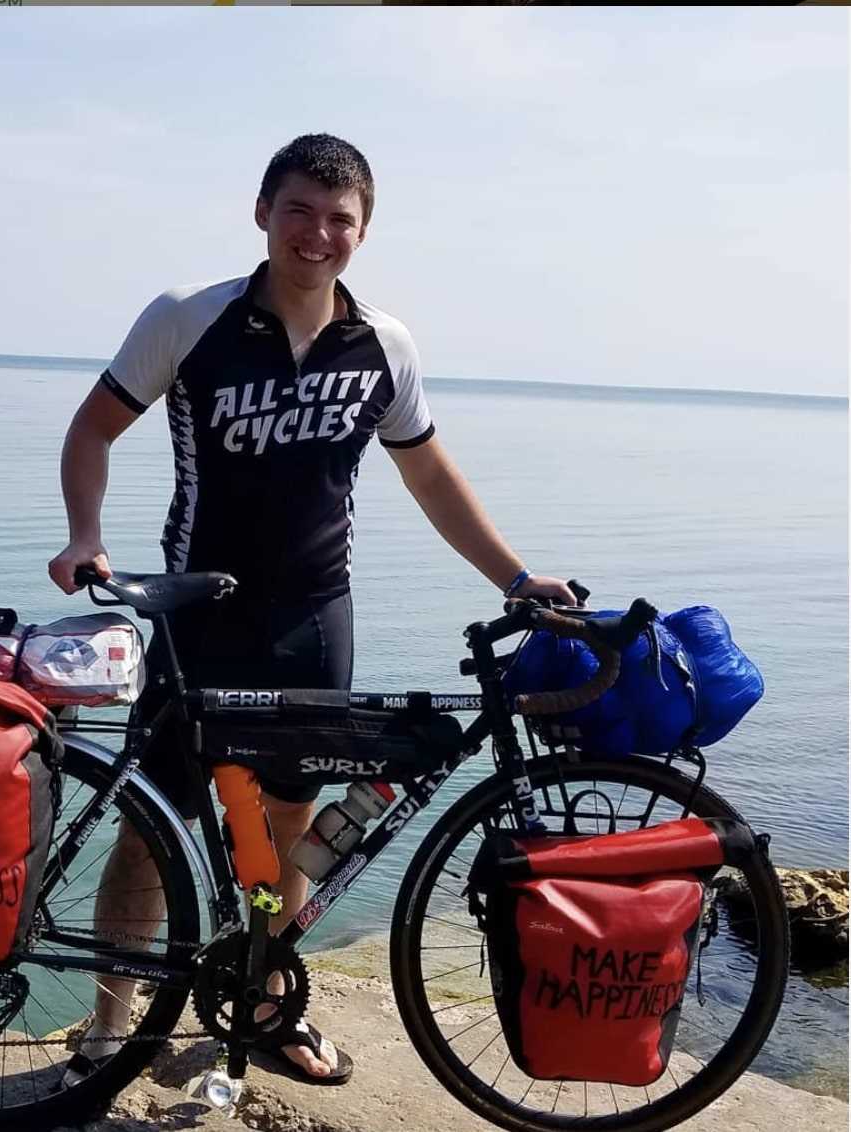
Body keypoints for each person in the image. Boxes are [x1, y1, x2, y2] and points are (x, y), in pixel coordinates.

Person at [48, 133, 576, 1087]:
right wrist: (86, 533)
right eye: (299, 210)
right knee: (148, 829)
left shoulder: (383, 344)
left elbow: (428, 473)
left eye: (340, 219)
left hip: (313, 616)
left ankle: (258, 1004)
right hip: (194, 615)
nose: (317, 234)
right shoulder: (188, 319)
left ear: (363, 231)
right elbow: (93, 427)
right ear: (263, 213)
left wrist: (513, 577)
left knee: (288, 823)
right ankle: (111, 1026)